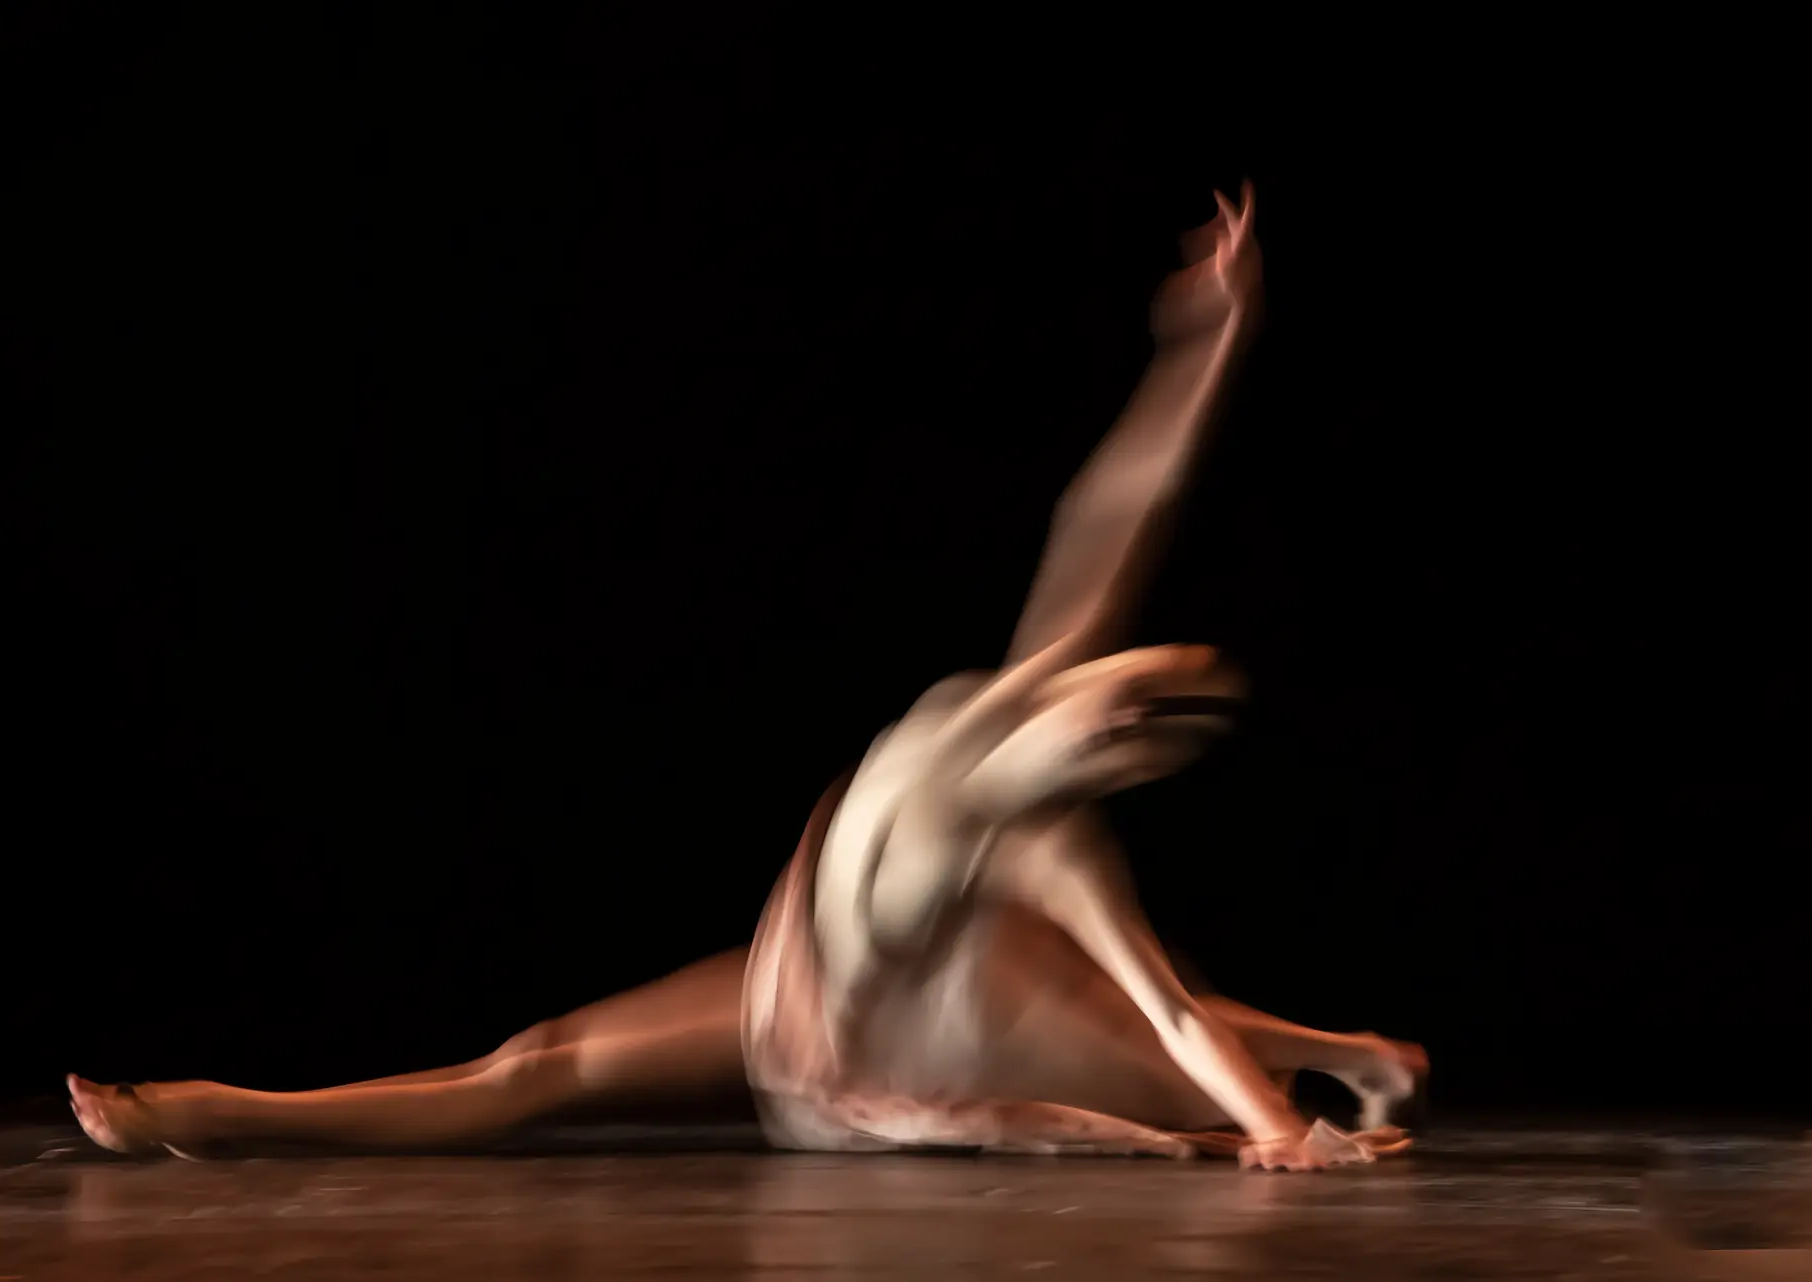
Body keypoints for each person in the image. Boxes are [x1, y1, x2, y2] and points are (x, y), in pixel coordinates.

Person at [70, 183, 1426, 1172]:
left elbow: (1169, 1009)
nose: (1104, 666)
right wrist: (1206, 345)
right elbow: (1117, 511)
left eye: (1127, 693)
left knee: (1110, 1040)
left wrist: (1275, 1133)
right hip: (798, 964)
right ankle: (230, 1110)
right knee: (539, 1055)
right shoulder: (1023, 682)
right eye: (1126, 658)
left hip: (866, 1034)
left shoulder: (1053, 852)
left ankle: (1341, 1060)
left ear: (1114, 740)